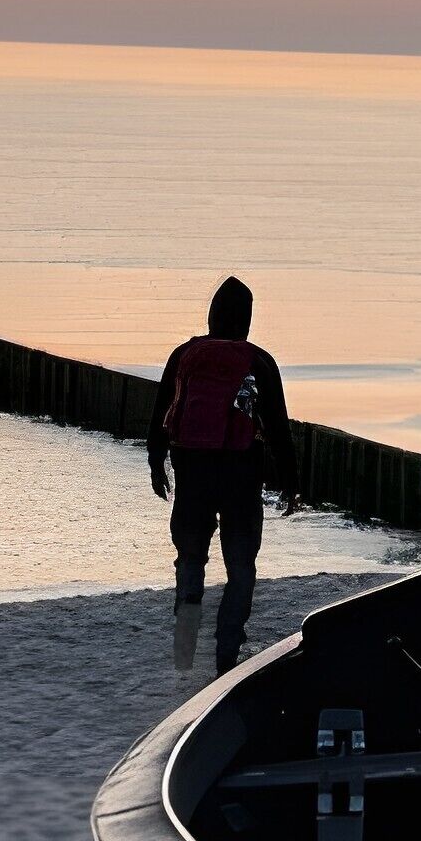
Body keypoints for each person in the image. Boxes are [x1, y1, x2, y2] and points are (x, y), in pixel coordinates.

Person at [148, 276, 300, 673]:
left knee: (191, 556)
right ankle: (226, 658)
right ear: (247, 319)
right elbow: (279, 427)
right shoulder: (259, 361)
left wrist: (155, 463)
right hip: (241, 474)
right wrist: (292, 482)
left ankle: (184, 650)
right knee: (241, 566)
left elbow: (161, 412)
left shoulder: (185, 354)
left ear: (211, 314)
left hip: (192, 469)